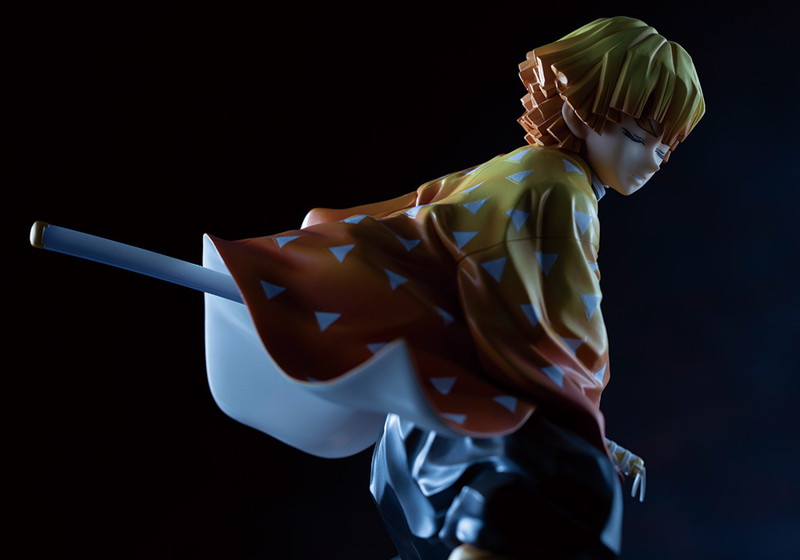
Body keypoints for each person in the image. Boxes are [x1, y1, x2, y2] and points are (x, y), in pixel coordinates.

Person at [204, 16, 705, 560]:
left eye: (666, 148)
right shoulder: (559, 190)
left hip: (424, 423)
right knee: (569, 492)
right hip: (461, 422)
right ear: (574, 110)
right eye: (637, 135)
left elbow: (382, 216)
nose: (653, 159)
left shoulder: (516, 170)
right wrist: (583, 424)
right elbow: (557, 329)